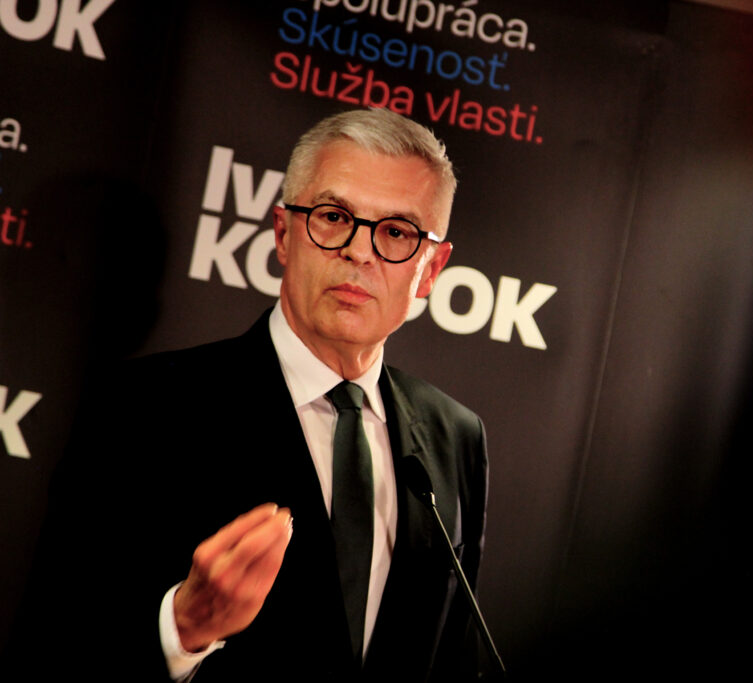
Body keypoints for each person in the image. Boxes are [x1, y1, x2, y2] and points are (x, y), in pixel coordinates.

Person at [7, 108, 488, 682]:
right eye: (334, 217)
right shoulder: (143, 408)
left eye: (396, 232)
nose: (360, 252)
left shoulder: (455, 437)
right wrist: (181, 630)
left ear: (431, 269)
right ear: (284, 233)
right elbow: (52, 643)